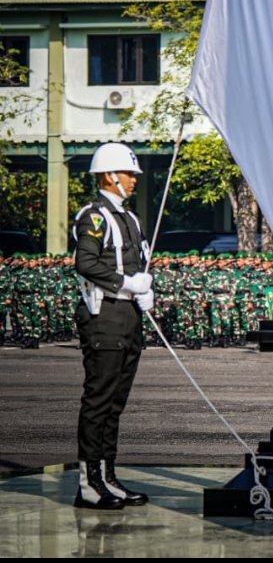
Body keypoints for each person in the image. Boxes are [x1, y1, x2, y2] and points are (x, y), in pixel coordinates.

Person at [72, 142, 154, 509]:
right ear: (109, 175)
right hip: (103, 316)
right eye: (128, 173)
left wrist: (146, 289)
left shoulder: (130, 219)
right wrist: (127, 284)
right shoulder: (94, 216)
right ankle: (89, 484)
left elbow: (139, 264)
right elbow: (86, 263)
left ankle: (107, 477)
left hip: (128, 317)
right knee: (99, 400)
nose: (134, 179)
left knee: (115, 403)